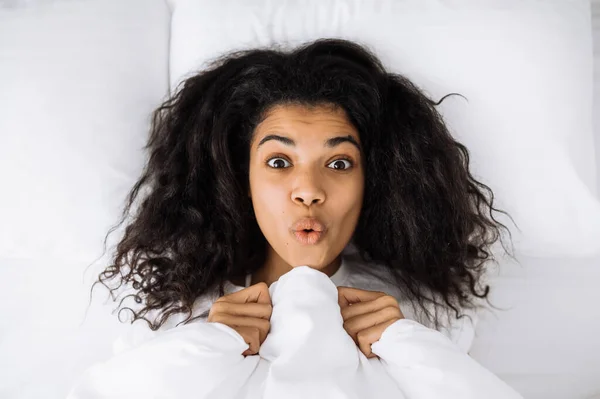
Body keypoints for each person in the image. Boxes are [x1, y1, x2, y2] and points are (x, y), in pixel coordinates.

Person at [92, 38, 515, 362]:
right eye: (279, 161)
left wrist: (410, 349)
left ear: (376, 181)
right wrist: (200, 349)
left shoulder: (423, 311)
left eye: (339, 164)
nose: (309, 189)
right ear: (241, 179)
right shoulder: (175, 315)